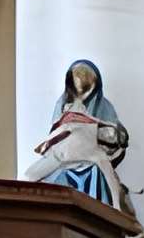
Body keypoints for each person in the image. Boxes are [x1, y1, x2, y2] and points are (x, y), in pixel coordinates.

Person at [26, 58, 132, 211]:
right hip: (63, 157)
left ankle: (103, 216)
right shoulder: (63, 104)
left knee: (100, 173)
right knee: (39, 178)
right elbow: (55, 134)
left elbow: (116, 138)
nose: (81, 88)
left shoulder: (104, 107)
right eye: (77, 81)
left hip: (91, 158)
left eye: (86, 83)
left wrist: (97, 131)